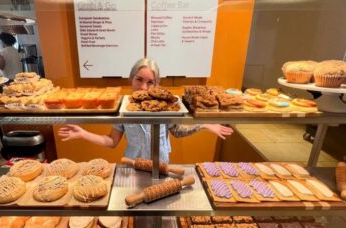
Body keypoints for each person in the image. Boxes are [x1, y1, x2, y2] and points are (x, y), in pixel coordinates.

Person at [58, 58, 233, 163]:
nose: (143, 87)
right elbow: (111, 141)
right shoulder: (124, 108)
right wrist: (83, 133)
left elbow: (177, 133)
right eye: (139, 80)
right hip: (132, 165)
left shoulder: (165, 109)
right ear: (131, 79)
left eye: (150, 82)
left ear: (157, 85)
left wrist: (203, 124)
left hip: (160, 163)